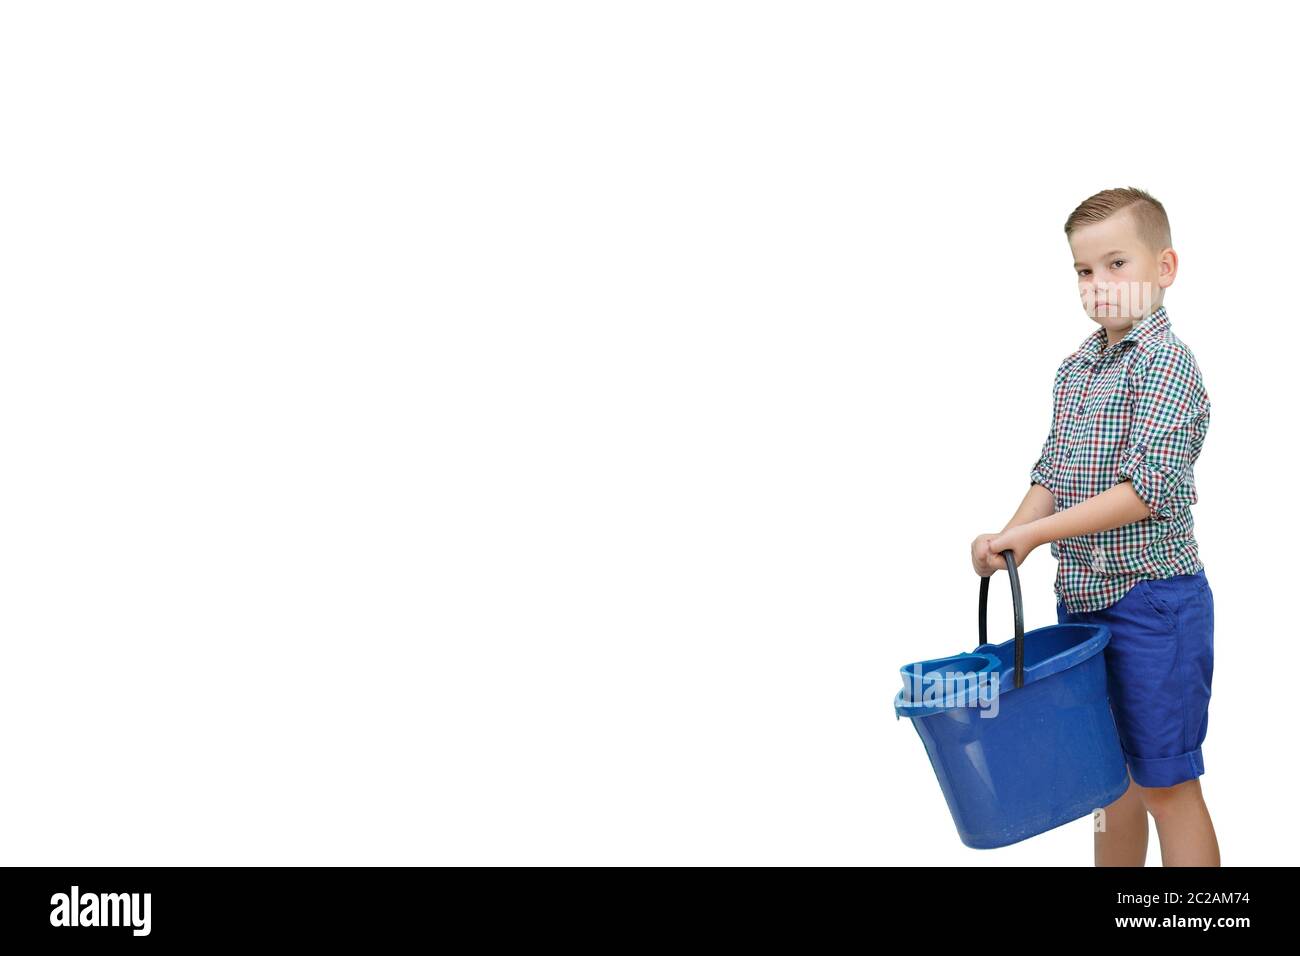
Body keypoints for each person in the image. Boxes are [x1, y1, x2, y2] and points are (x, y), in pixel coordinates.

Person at [970, 186, 1218, 866]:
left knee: (1165, 783)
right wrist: (1008, 536)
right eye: (1084, 270)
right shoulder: (1075, 371)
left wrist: (1039, 538)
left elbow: (1144, 492)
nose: (1098, 285)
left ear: (1163, 268)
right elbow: (1052, 473)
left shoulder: (1168, 367)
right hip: (1082, 605)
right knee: (1107, 784)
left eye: (1117, 264)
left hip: (1152, 605)